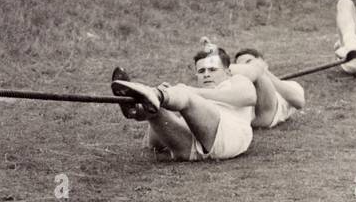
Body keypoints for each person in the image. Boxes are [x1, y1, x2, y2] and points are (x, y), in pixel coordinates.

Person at [109, 41, 256, 161]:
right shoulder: (192, 102)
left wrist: (185, 92)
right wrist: (159, 108)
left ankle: (155, 96)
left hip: (230, 136)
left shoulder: (236, 81)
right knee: (157, 111)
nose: (206, 75)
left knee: (183, 94)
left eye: (212, 70)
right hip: (190, 150)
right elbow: (154, 146)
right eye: (201, 71)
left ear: (228, 72)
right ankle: (137, 109)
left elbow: (249, 97)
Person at [230, 47, 305, 128]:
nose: (245, 67)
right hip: (246, 117)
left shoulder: (292, 85)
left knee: (256, 73)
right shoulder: (245, 86)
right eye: (241, 66)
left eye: (248, 61)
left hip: (267, 114)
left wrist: (261, 71)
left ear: (264, 62)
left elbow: (299, 102)